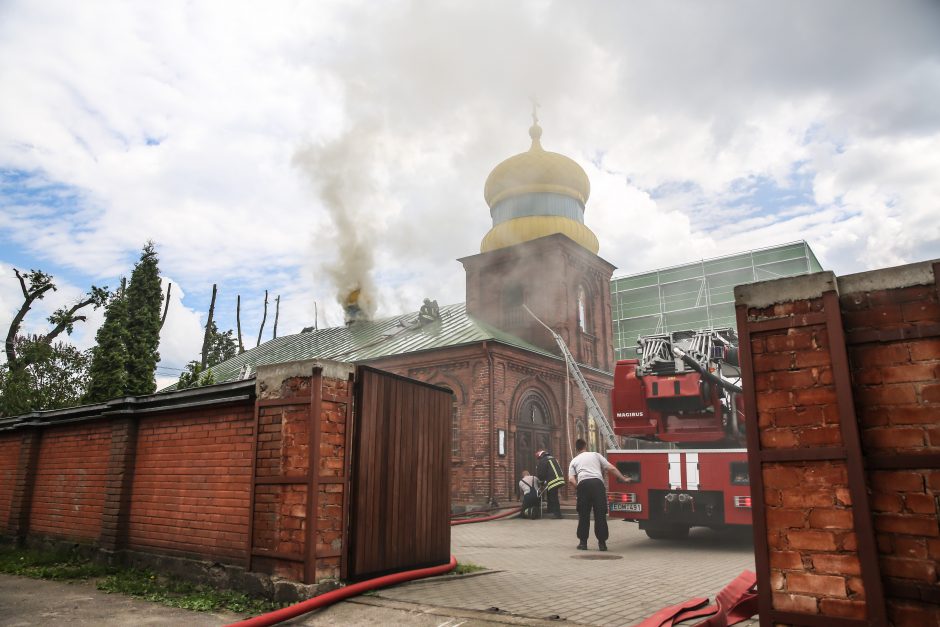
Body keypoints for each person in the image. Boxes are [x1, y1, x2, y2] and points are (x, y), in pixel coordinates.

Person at [567, 438, 629, 551]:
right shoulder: (595, 455)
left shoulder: (574, 460)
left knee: (583, 515)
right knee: (600, 514)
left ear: (576, 449)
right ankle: (602, 544)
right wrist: (623, 478)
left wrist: (579, 488)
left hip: (583, 484)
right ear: (585, 446)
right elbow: (611, 468)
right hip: (597, 485)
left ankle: (582, 543)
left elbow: (571, 479)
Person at [535, 450, 565, 519]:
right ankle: (550, 510)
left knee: (553, 497)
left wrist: (541, 481)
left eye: (538, 458)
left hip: (553, 480)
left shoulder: (543, 460)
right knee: (550, 493)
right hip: (559, 479)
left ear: (540, 456)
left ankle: (558, 514)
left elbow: (541, 473)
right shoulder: (552, 458)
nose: (538, 460)